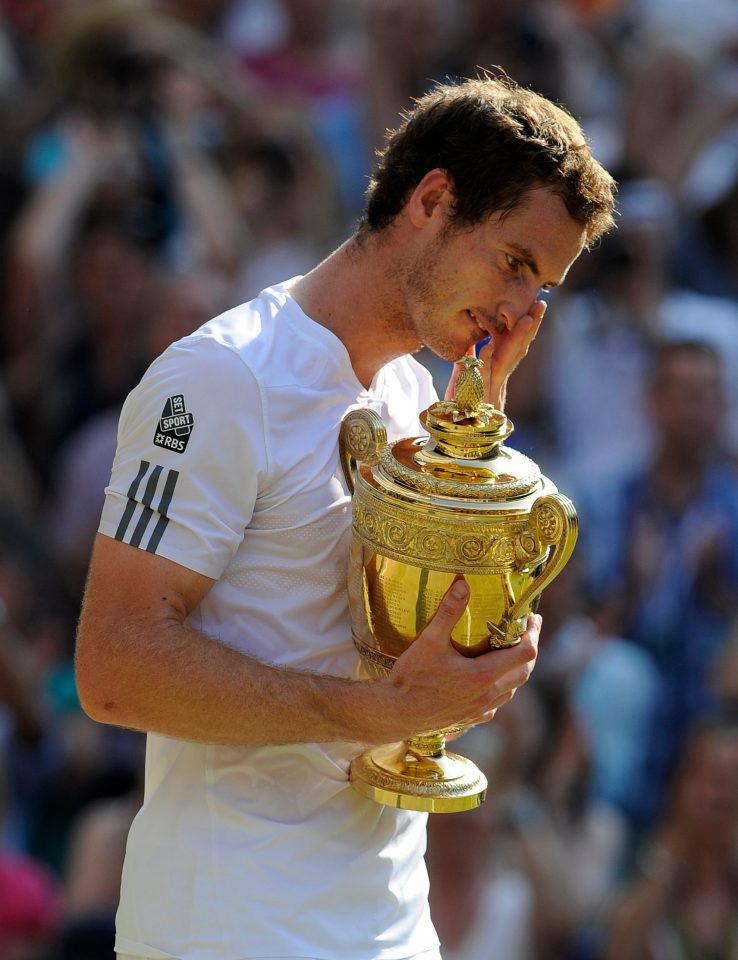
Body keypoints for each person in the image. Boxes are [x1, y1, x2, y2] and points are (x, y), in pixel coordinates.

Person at [74, 72, 616, 960]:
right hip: (228, 929)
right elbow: (113, 668)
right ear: (432, 200)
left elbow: (407, 672)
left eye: (543, 289)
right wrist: (376, 713)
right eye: (515, 264)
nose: (522, 311)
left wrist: (476, 427)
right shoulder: (220, 378)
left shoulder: (416, 397)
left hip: (389, 922)